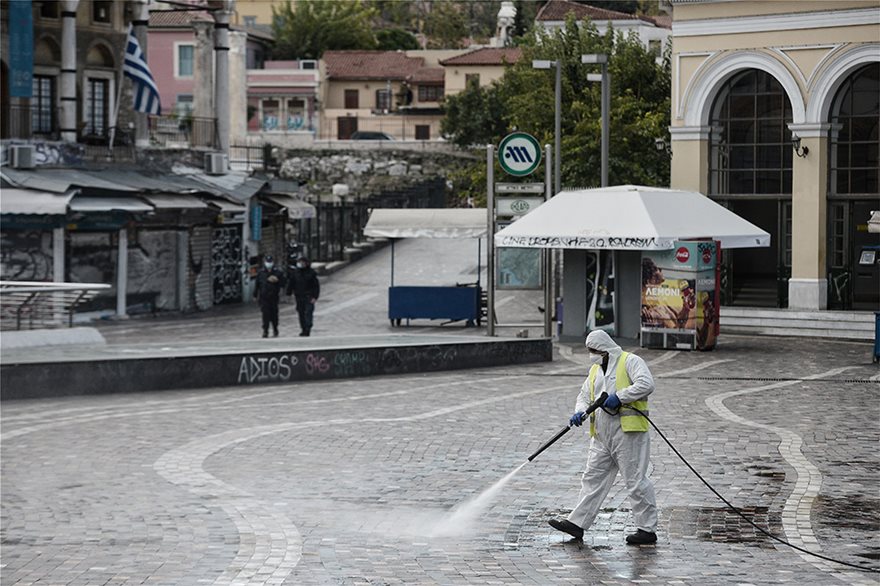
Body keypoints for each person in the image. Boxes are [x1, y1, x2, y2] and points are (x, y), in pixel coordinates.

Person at [548, 329, 658, 545]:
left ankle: (647, 529)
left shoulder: (631, 361)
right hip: (601, 434)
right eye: (589, 351)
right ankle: (577, 524)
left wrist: (620, 396)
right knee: (592, 478)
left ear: (605, 348)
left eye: (594, 351)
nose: (592, 355)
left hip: (628, 432)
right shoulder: (595, 370)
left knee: (635, 480)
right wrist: (580, 410)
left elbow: (647, 384)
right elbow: (584, 395)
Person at [253, 254, 286, 338]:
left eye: (270, 262)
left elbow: (283, 283)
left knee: (274, 314)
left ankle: (275, 328)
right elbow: (257, 285)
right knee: (265, 315)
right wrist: (255, 295)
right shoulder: (261, 273)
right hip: (264, 297)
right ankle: (265, 330)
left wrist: (277, 281)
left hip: (274, 297)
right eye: (267, 262)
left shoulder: (278, 272)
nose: (269, 263)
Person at [286, 256, 320, 336]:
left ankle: (308, 328)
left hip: (308, 296)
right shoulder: (295, 273)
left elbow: (316, 286)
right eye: (300, 262)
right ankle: (303, 328)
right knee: (301, 313)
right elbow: (291, 284)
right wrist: (289, 294)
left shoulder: (311, 273)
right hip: (299, 296)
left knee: (308, 313)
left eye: (302, 262)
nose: (301, 264)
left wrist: (315, 297)